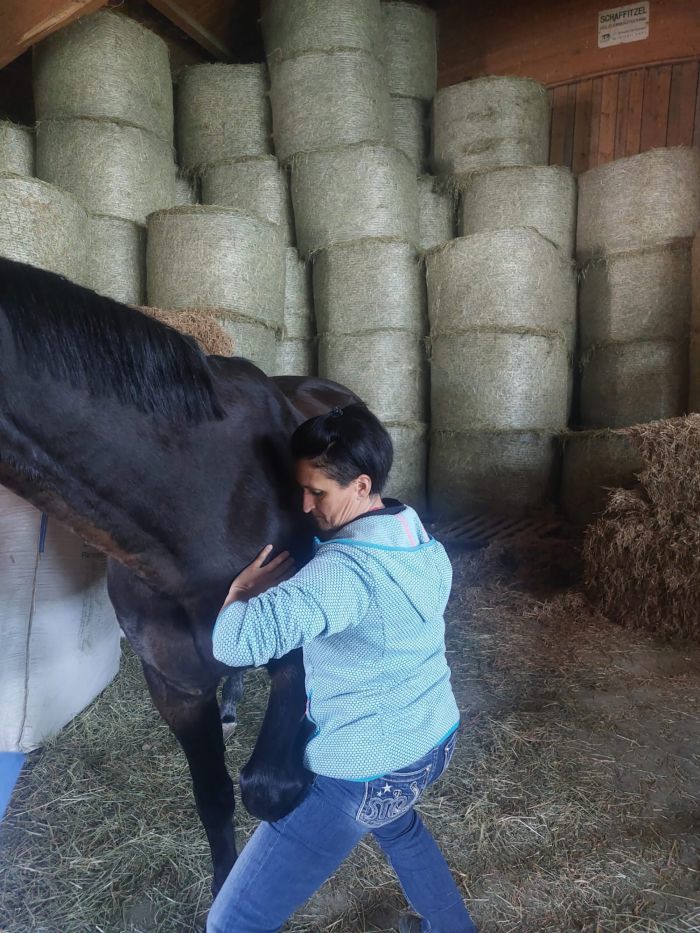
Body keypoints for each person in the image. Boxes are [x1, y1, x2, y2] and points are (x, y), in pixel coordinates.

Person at [207, 404, 477, 933]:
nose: (305, 506)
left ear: (360, 484)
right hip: (430, 741)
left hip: (362, 772)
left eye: (318, 493)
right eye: (300, 490)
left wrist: (240, 593)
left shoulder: (342, 573)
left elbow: (234, 644)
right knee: (399, 828)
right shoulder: (417, 536)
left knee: (231, 922)